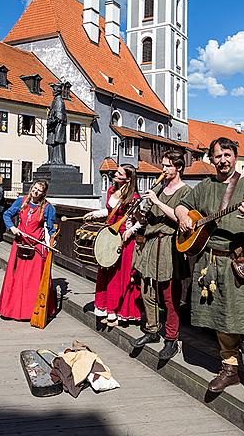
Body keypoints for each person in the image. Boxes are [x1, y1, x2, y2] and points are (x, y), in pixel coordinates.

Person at [175, 137, 244, 409]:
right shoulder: (206, 186)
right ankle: (230, 368)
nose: (222, 160)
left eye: (227, 155)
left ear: (235, 156)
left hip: (242, 264)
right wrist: (183, 215)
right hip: (213, 264)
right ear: (211, 159)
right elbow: (182, 204)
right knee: (222, 321)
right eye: (217, 156)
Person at [132, 150, 191, 360]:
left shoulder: (186, 192)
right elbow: (144, 216)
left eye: (168, 166)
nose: (163, 170)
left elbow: (179, 218)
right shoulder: (159, 186)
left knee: (169, 295)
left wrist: (156, 202)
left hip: (168, 245)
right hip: (150, 242)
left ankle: (171, 338)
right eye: (163, 166)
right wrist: (141, 209)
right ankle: (152, 329)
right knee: (147, 289)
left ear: (179, 168)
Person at [83, 164, 142, 327]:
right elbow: (109, 211)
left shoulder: (134, 198)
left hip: (124, 239)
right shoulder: (111, 191)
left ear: (128, 179)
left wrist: (130, 231)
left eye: (119, 173)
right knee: (107, 273)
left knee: (119, 276)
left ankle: (117, 311)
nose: (115, 174)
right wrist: (94, 214)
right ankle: (107, 308)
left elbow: (141, 222)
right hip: (110, 236)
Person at [0, 180, 57, 321]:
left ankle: (31, 312)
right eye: (35, 188)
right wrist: (13, 228)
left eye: (40, 190)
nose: (36, 191)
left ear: (44, 193)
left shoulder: (48, 207)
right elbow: (7, 214)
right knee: (16, 277)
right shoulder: (21, 201)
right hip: (20, 244)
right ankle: (11, 310)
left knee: (33, 280)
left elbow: (51, 227)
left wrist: (52, 241)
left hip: (36, 247)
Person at [46, 82, 67, 164]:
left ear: (58, 90)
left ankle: (57, 160)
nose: (52, 91)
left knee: (57, 143)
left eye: (54, 89)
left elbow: (59, 117)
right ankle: (51, 160)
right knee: (50, 143)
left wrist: (51, 121)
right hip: (52, 128)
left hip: (57, 128)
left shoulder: (59, 101)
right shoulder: (54, 101)